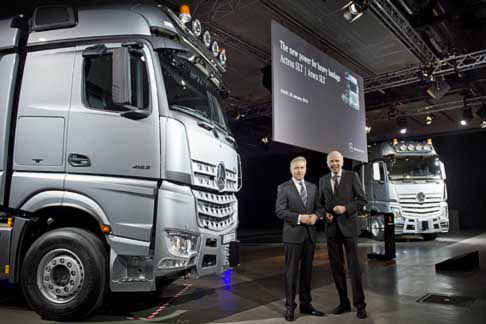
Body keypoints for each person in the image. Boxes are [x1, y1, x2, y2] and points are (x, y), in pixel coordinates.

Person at [317, 150, 368, 319]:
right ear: (327, 163)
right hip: (331, 230)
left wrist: (346, 208)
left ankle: (360, 305)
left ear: (342, 161)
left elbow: (362, 200)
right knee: (336, 269)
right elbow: (320, 204)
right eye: (331, 161)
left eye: (337, 161)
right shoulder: (323, 180)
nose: (334, 164)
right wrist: (326, 214)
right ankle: (343, 303)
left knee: (354, 269)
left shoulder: (352, 176)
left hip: (349, 229)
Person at [275, 156, 325, 321]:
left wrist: (316, 217)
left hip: (309, 236)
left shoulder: (312, 187)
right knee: (291, 273)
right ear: (291, 170)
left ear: (306, 168)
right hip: (292, 236)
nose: (299, 170)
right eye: (296, 168)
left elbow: (319, 208)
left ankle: (306, 305)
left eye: (302, 167)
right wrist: (300, 218)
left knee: (307, 272)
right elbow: (280, 211)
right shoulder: (284, 187)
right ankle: (290, 307)